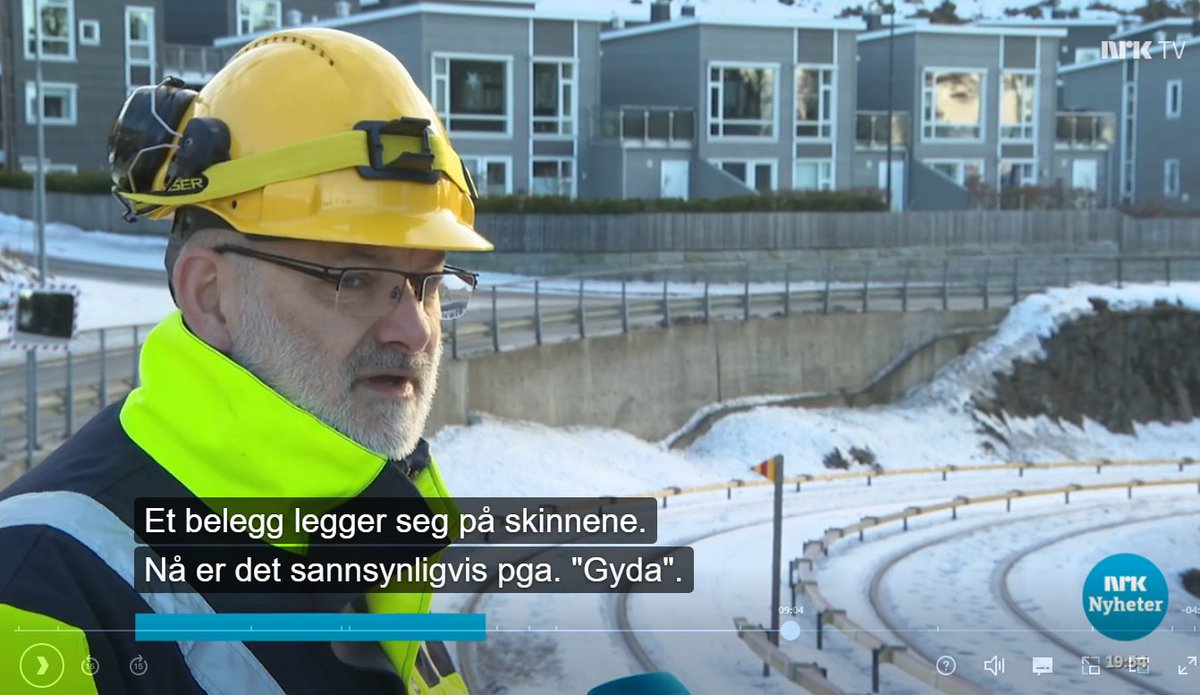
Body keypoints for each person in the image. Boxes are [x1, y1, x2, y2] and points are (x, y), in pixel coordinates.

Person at [0, 27, 490, 694]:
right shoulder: (36, 592)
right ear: (212, 296)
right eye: (353, 277)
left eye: (429, 283)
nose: (414, 328)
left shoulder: (371, 521)